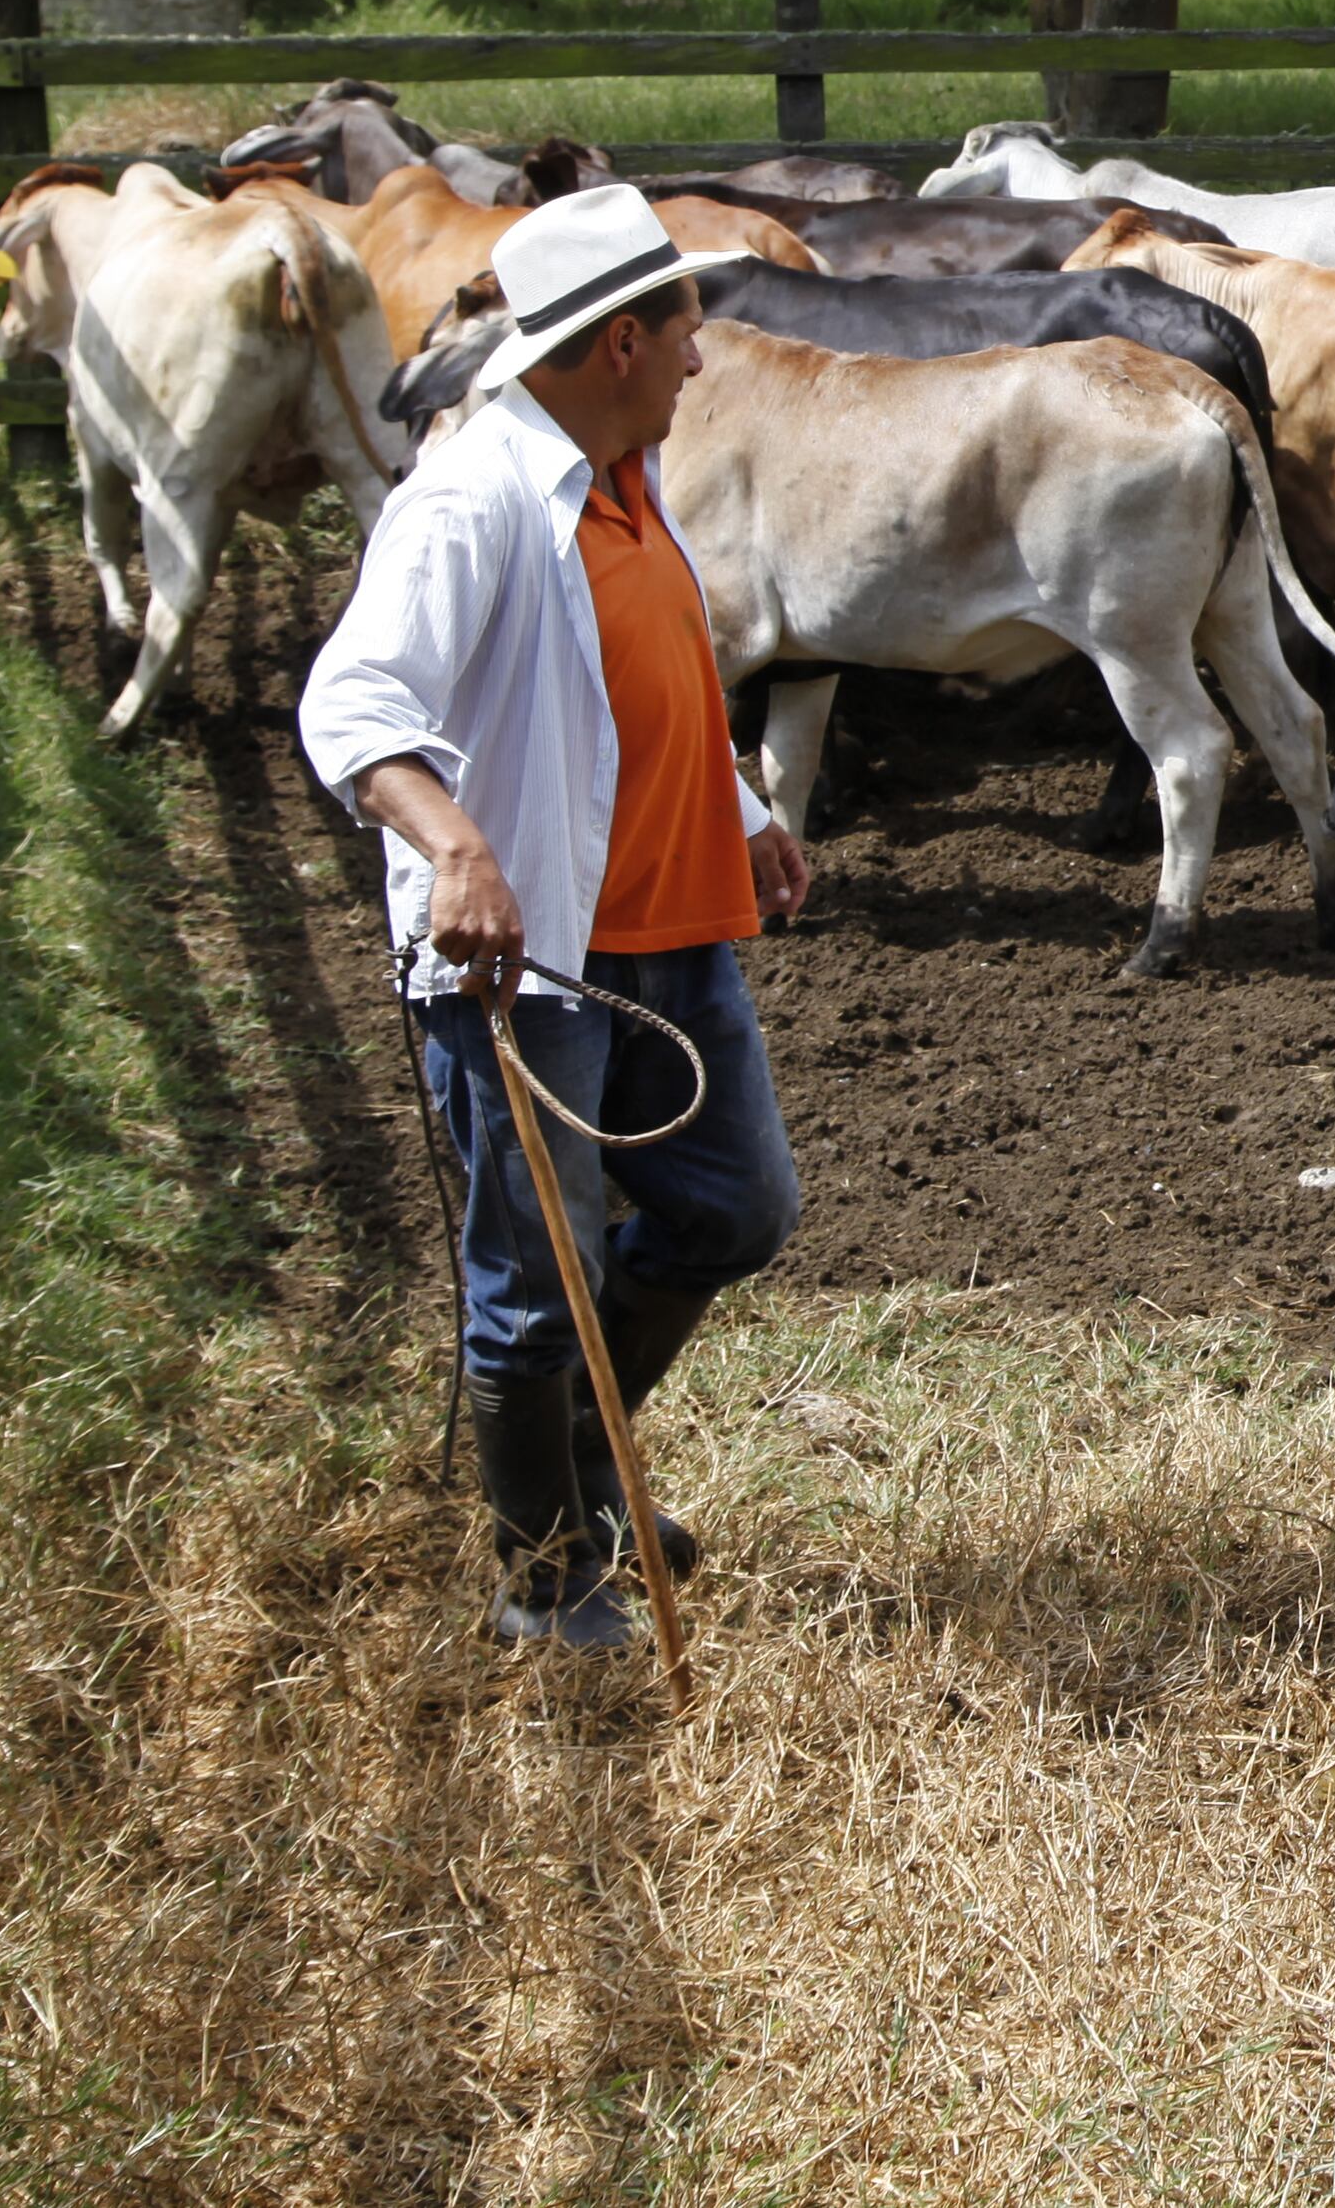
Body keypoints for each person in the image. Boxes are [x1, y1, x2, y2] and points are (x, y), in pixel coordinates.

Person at [299, 185, 812, 1651]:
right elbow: (352, 703)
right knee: (536, 1276)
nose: (703, 363)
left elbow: (632, 679)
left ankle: (583, 1474)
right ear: (617, 344)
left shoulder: (624, 475)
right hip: (525, 959)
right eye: (686, 335)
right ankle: (545, 1572)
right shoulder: (472, 502)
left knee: (735, 1204)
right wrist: (453, 845)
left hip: (664, 926)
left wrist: (739, 802)